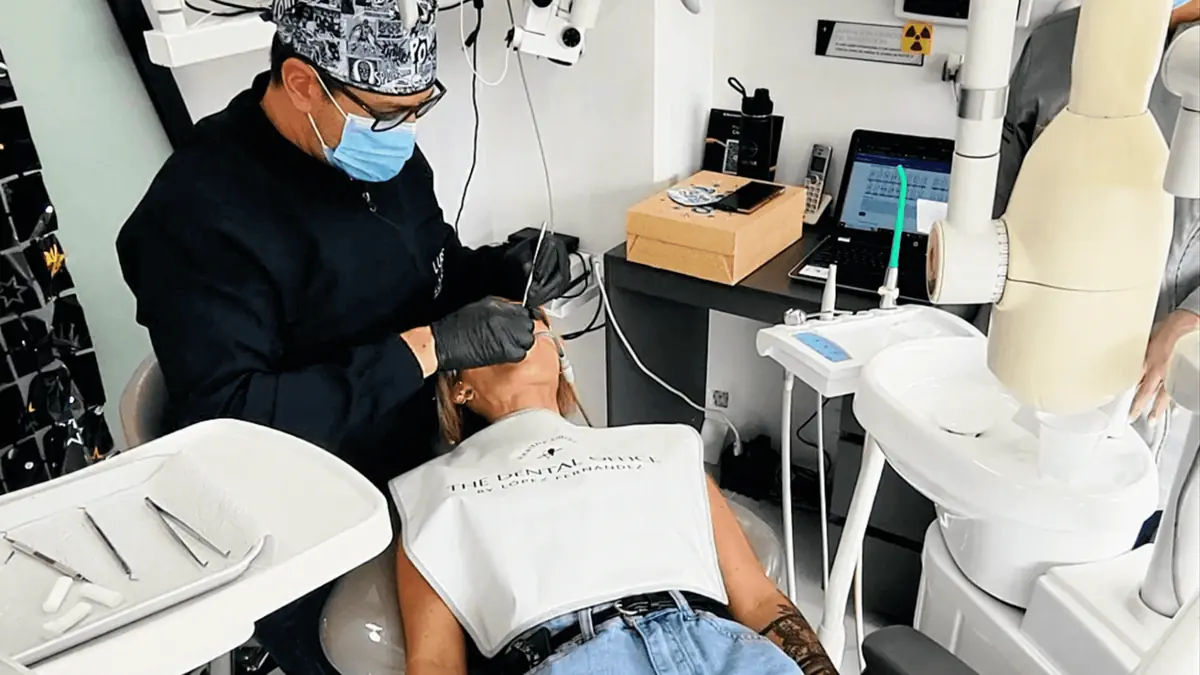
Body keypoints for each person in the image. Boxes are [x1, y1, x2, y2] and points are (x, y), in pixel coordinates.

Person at [116, 1, 569, 672]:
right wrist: (429, 349)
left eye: (419, 109)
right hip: (302, 526)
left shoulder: (389, 166)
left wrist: (500, 267)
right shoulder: (199, 214)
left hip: (423, 469)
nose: (405, 132)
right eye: (389, 115)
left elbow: (430, 274)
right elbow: (231, 426)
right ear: (302, 82)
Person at [389, 314, 840, 675]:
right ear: (459, 385)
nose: (512, 329)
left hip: (724, 650)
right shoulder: (431, 489)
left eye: (527, 319)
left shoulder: (666, 447)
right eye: (486, 325)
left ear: (561, 358)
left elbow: (759, 599)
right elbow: (434, 662)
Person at [995, 1, 1200, 508]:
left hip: (1152, 360)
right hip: (1029, 335)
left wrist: (1191, 318)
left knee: (1109, 524)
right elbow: (998, 198)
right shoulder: (1055, 42)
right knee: (996, 506)